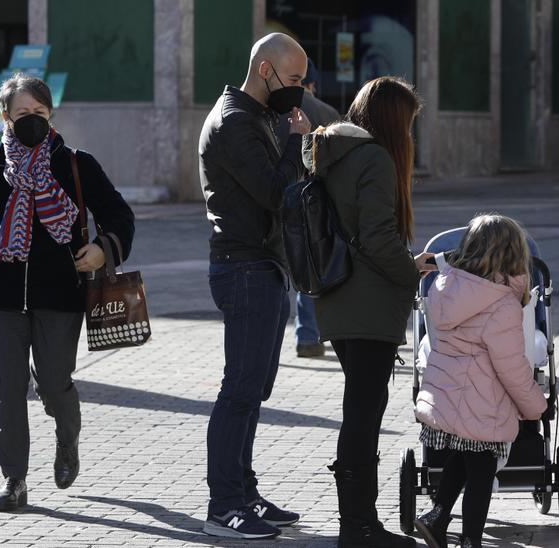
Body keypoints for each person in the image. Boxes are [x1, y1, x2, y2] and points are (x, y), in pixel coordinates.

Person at [0, 73, 135, 512]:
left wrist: (101, 250)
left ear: (50, 114)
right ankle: (14, 479)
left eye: (38, 113)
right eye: (22, 114)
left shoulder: (75, 164)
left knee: (54, 385)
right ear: (5, 117)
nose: (30, 120)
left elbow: (119, 216)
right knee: (9, 389)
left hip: (61, 297)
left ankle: (67, 436)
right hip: (3, 300)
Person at [197, 33, 312, 540]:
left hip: (262, 268)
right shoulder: (234, 122)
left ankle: (245, 492)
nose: (300, 91)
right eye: (293, 80)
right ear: (265, 71)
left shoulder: (254, 116)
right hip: (244, 269)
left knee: (253, 390)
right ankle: (224, 504)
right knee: (239, 390)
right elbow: (274, 193)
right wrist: (294, 142)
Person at [304, 76, 427, 547]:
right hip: (368, 301)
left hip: (339, 297)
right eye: (410, 124)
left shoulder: (332, 151)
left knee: (360, 409)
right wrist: (411, 272)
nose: (411, 136)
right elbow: (376, 236)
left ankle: (357, 522)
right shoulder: (373, 157)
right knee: (363, 414)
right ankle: (358, 526)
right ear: (394, 122)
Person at [413, 214, 548, 548]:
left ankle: (437, 517)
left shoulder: (446, 286)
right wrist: (535, 405)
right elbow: (511, 367)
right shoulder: (500, 303)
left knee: (463, 456)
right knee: (482, 471)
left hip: (449, 394)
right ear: (514, 256)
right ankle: (471, 538)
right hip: (482, 400)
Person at [277, 58, 342, 359]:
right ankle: (308, 335)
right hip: (311, 202)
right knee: (311, 265)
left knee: (275, 268)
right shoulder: (327, 113)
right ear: (311, 83)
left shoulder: (271, 109)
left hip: (276, 197)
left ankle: (273, 342)